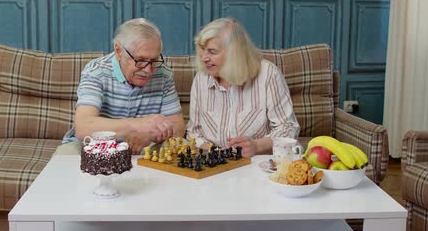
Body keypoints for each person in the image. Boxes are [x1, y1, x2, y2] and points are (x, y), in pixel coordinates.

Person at [55, 18, 186, 155]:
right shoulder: (96, 71)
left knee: (181, 147)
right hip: (94, 146)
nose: (148, 70)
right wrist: (138, 126)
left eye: (153, 60)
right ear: (118, 51)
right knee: (66, 154)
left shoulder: (163, 74)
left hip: (143, 147)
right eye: (140, 60)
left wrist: (148, 135)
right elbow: (83, 127)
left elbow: (178, 128)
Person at [186, 18, 300, 157]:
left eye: (212, 52)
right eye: (202, 50)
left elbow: (288, 128)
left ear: (234, 53)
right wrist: (213, 151)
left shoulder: (268, 74)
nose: (204, 58)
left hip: (256, 161)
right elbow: (194, 132)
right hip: (214, 161)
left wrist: (256, 146)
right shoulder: (201, 78)